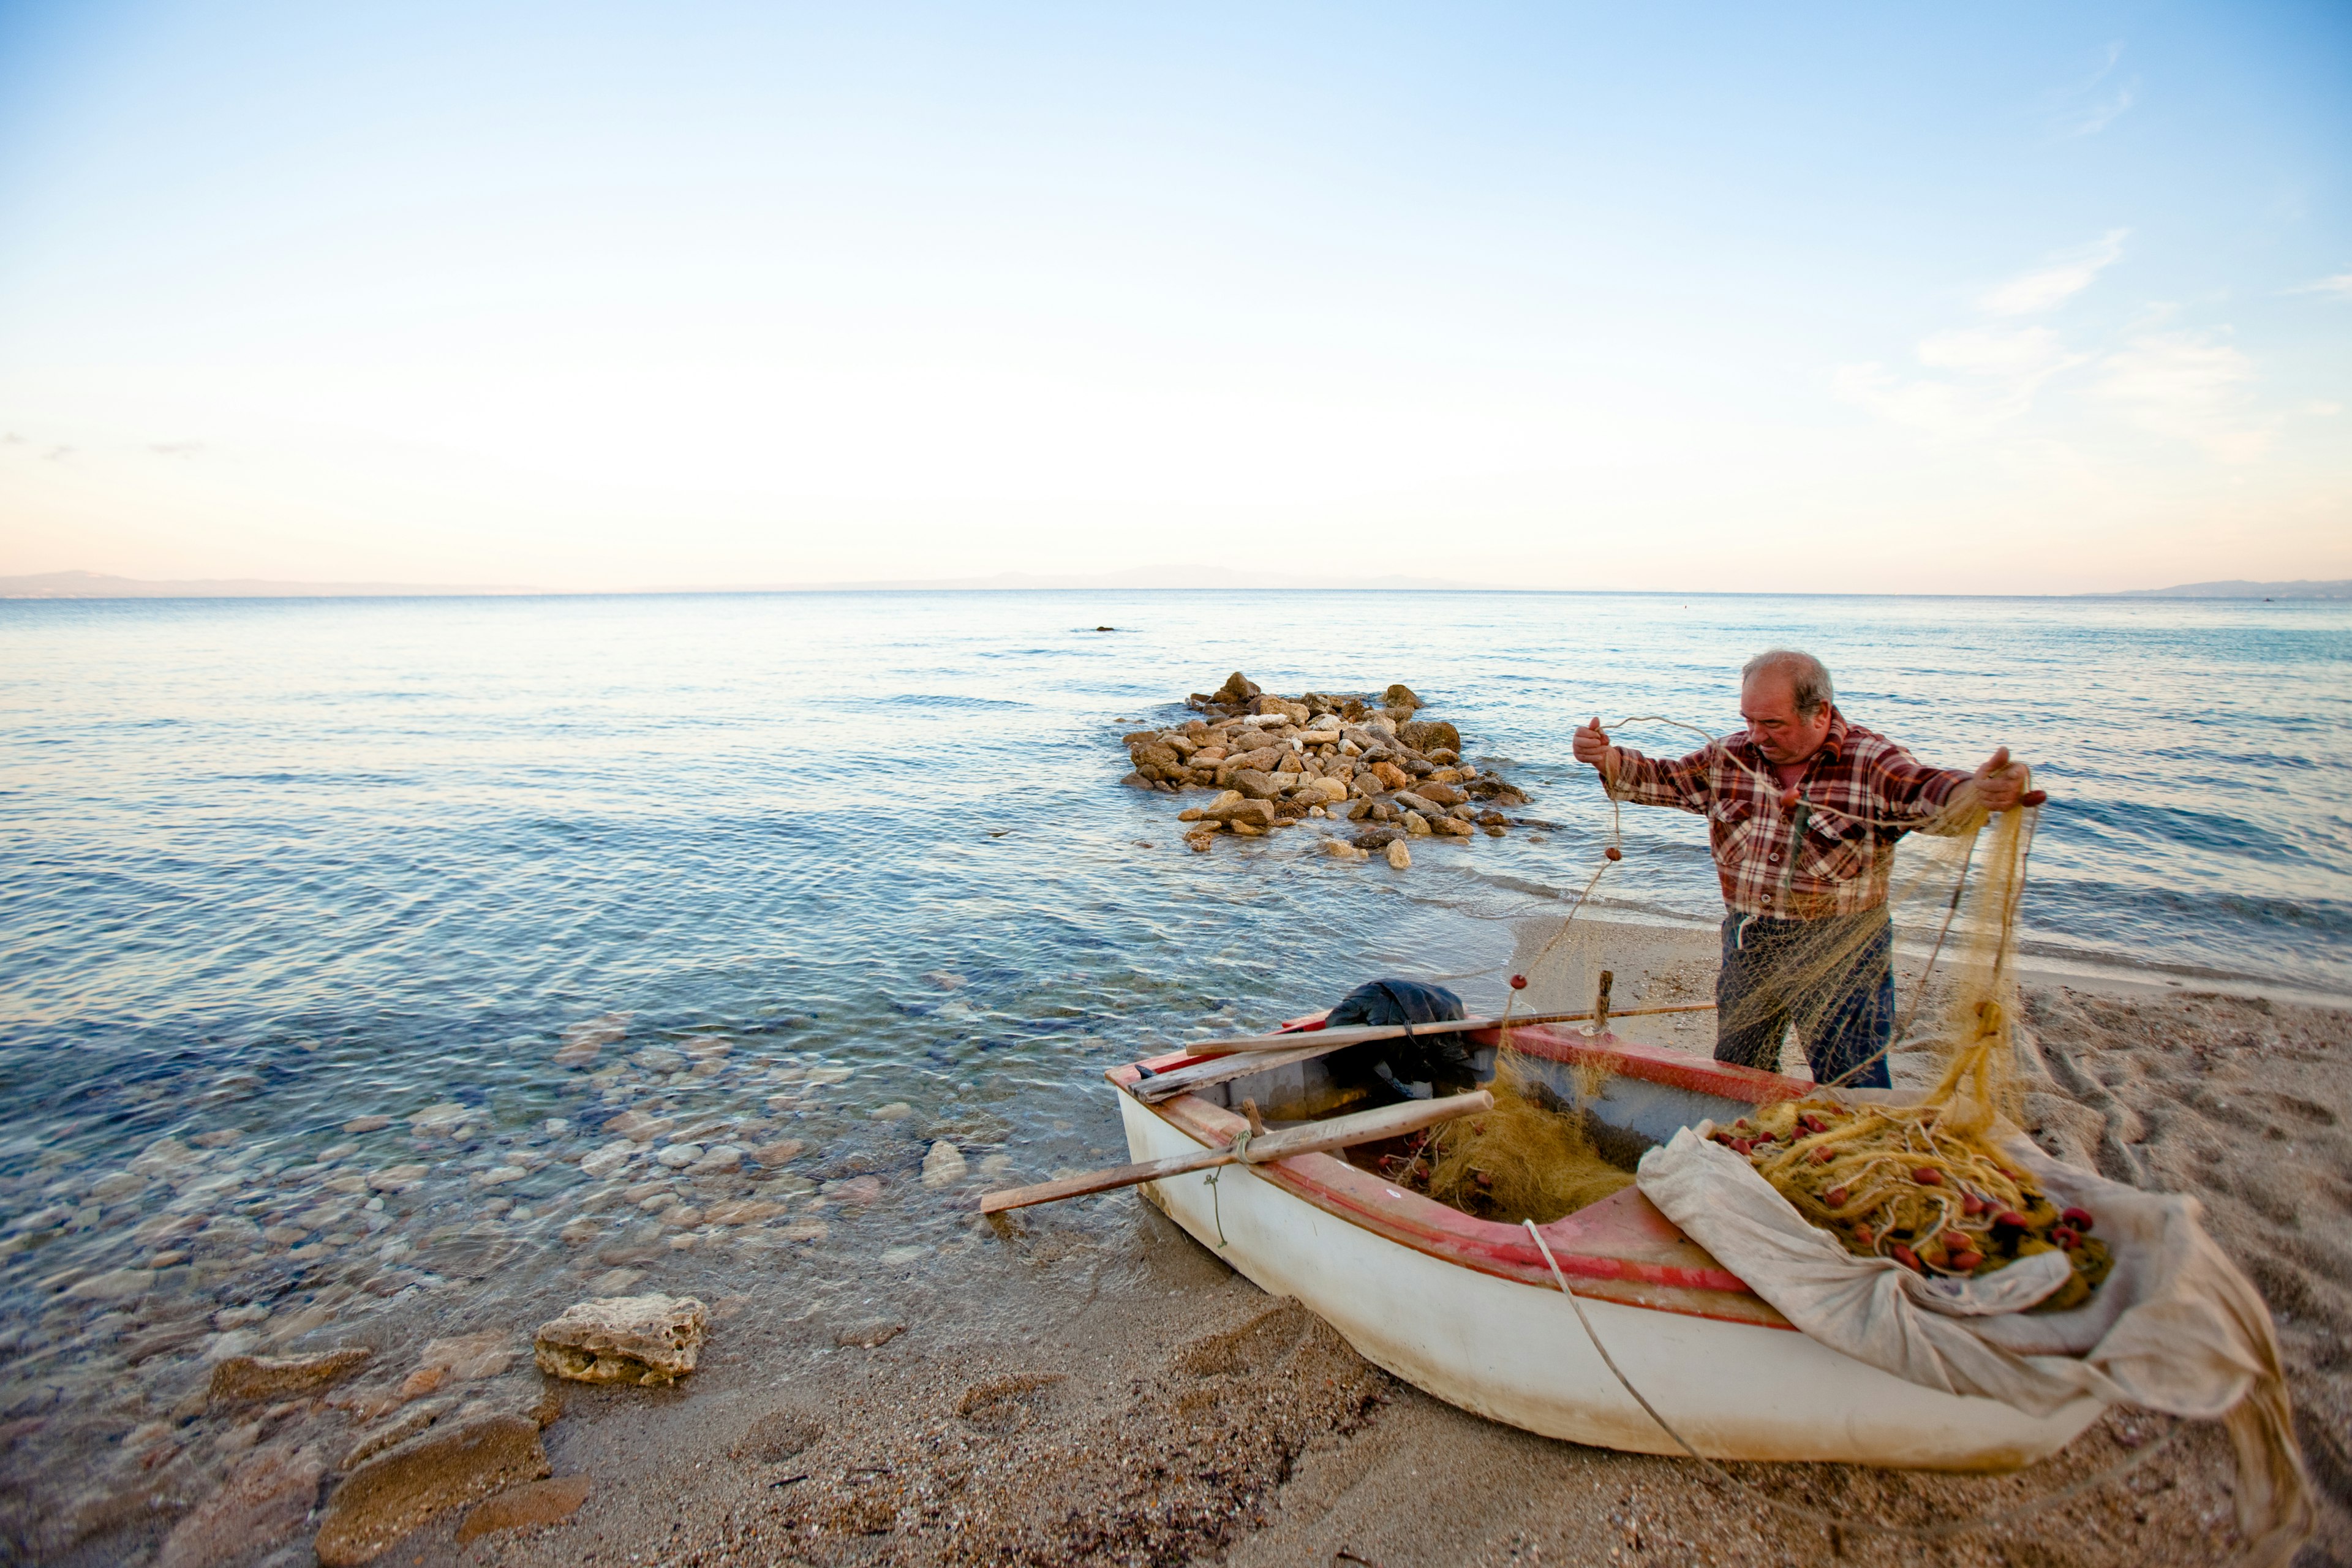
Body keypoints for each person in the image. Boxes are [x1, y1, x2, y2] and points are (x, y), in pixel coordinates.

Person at [1570, 649, 2027, 1088]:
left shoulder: (1870, 762)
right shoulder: (1730, 757)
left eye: (1772, 724)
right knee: (1738, 1065)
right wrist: (1604, 758)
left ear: (1820, 713)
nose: (1757, 736)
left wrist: (1978, 793)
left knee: (1850, 1076)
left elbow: (1930, 794)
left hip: (1842, 948)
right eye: (1748, 720)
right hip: (1751, 939)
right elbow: (1663, 780)